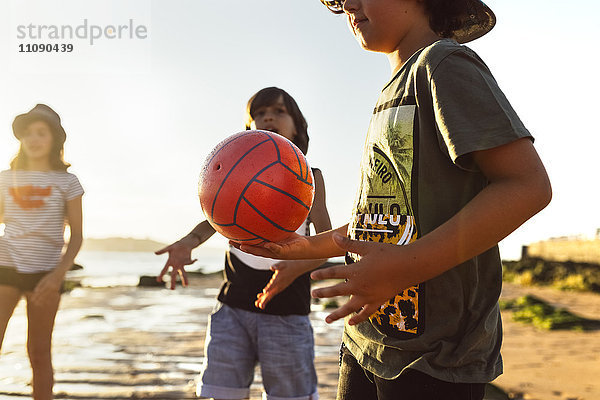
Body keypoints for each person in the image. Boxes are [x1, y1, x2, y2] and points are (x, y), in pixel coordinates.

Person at [234, 1, 553, 399]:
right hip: (367, 343)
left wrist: (404, 267)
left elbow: (527, 186)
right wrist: (306, 246)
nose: (349, 4)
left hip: (435, 358)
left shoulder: (442, 66)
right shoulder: (393, 91)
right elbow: (389, 219)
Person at [155, 87, 331, 400]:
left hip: (287, 311)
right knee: (221, 392)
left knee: (291, 395)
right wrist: (188, 242)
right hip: (232, 306)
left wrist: (293, 271)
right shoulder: (235, 170)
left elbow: (325, 242)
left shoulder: (309, 177)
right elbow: (215, 219)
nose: (268, 117)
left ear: (297, 125)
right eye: (259, 113)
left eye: (278, 111)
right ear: (249, 127)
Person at [0, 104, 84, 400]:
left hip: (47, 272)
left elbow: (76, 236)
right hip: (5, 265)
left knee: (38, 351)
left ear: (54, 140)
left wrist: (56, 276)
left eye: (41, 132)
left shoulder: (67, 182)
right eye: (27, 134)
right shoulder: (5, 179)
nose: (33, 139)